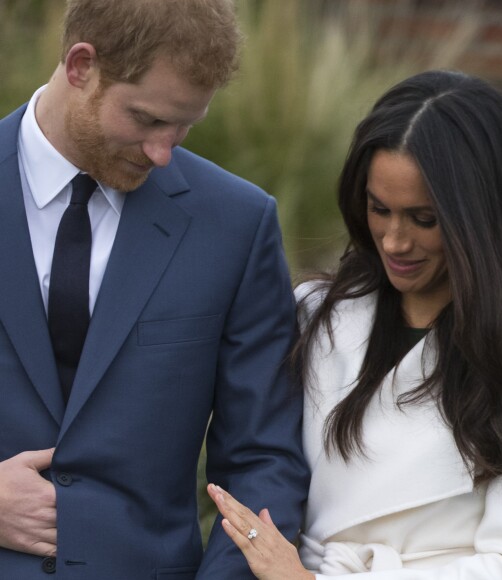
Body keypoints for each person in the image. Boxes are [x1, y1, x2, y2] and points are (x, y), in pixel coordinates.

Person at [208, 70, 502, 579]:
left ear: (486, 218)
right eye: (378, 209)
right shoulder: (317, 314)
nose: (394, 242)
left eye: (424, 219)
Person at [0, 0, 310, 578]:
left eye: (185, 126)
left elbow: (263, 458)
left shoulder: (237, 225)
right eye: (145, 119)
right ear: (80, 66)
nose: (163, 152)